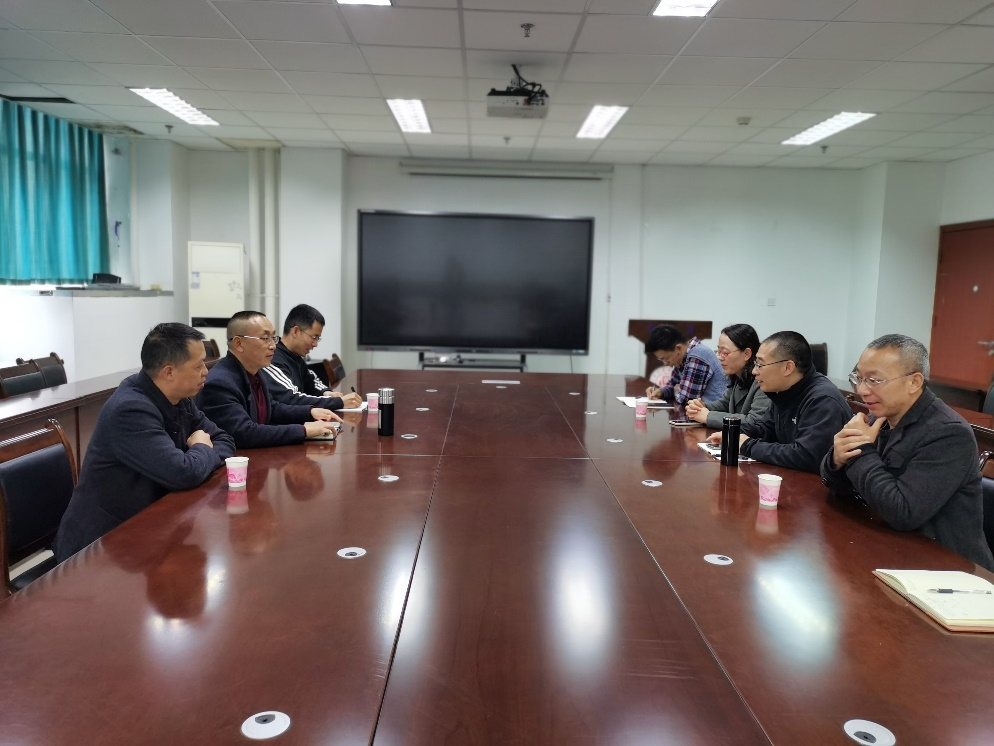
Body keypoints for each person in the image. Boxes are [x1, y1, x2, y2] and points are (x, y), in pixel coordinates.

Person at [55, 323, 235, 561]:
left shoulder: (179, 397)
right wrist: (202, 447)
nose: (206, 372)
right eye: (198, 365)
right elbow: (182, 473)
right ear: (168, 372)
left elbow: (224, 440)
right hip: (100, 547)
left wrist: (198, 456)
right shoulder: (130, 410)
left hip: (151, 529)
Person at [820, 334, 994, 571]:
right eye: (858, 378)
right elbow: (841, 486)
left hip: (946, 567)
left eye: (874, 380)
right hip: (891, 547)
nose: (862, 390)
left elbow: (903, 513)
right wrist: (836, 460)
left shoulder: (949, 434)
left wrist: (860, 451)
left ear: (914, 382)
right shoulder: (877, 417)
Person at [707, 330, 850, 473]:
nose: (754, 371)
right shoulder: (784, 390)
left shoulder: (822, 399)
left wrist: (748, 445)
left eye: (760, 365)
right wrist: (733, 435)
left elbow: (806, 456)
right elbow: (765, 429)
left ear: (787, 367)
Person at [196, 311, 341, 448]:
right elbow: (245, 433)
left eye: (273, 338)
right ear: (239, 344)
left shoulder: (254, 371)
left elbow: (272, 408)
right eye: (265, 338)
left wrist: (310, 412)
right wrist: (304, 430)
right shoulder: (220, 383)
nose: (273, 346)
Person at [262, 303, 362, 410]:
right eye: (314, 337)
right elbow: (292, 398)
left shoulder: (295, 356)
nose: (315, 344)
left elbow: (312, 381)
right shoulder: (273, 359)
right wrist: (338, 402)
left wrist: (327, 393)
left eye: (317, 339)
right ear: (296, 331)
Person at [685, 323, 770, 430]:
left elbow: (755, 422)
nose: (720, 358)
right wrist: (700, 407)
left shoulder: (763, 380)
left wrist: (708, 416)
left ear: (747, 354)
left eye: (725, 352)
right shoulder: (738, 376)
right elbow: (723, 405)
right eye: (718, 351)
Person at [644, 325, 727, 405]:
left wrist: (677, 390)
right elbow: (673, 384)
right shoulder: (681, 358)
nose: (665, 363)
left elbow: (687, 399)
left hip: (716, 410)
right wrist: (661, 392)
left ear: (678, 348)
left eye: (666, 359)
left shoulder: (697, 356)